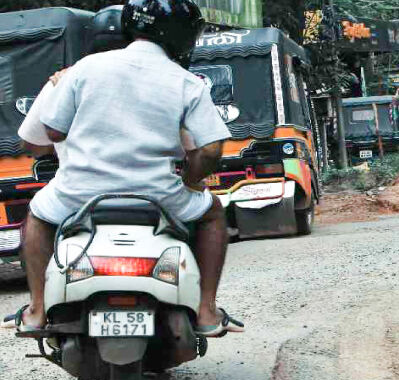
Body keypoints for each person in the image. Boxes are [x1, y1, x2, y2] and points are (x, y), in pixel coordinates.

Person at [5, 0, 242, 337]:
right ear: (182, 36)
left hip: (78, 194)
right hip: (158, 196)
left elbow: (53, 133)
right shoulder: (187, 82)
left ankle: (38, 310)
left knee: (37, 216)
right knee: (213, 212)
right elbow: (211, 149)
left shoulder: (85, 69)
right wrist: (191, 181)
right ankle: (206, 311)